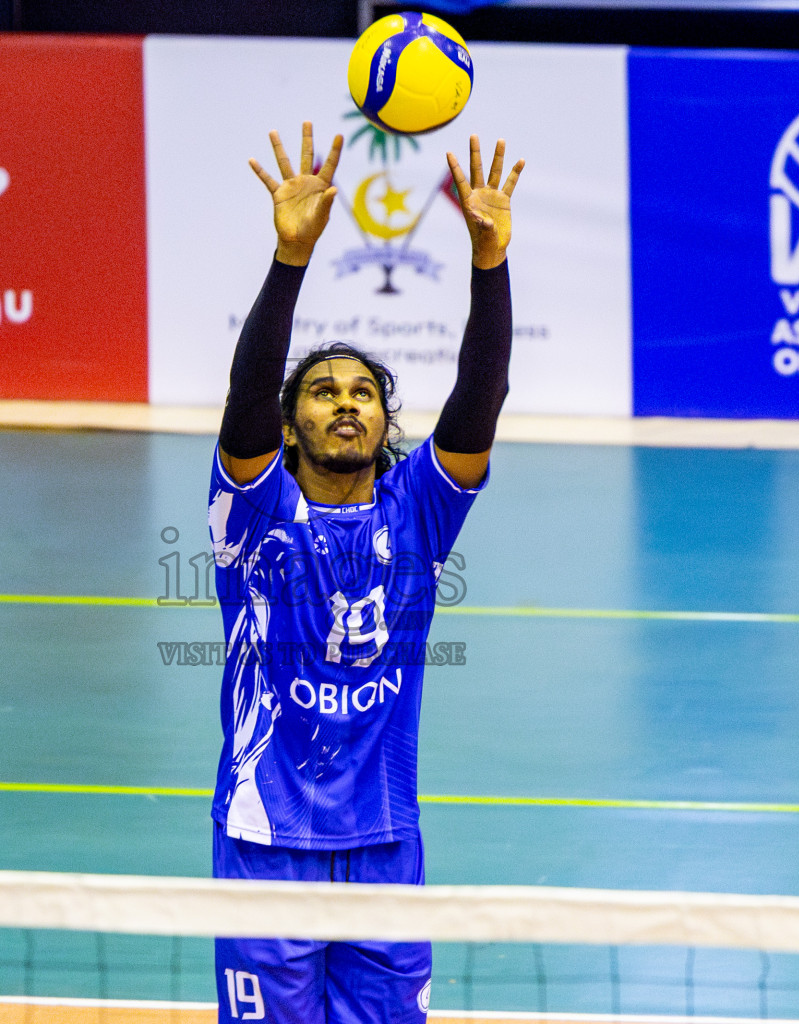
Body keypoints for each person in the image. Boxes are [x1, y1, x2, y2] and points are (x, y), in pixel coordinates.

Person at [208, 121, 523, 1024]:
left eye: (363, 395)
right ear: (289, 421)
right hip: (263, 839)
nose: (346, 403)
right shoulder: (252, 508)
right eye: (322, 391)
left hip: (384, 843)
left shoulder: (417, 511)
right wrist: (289, 258)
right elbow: (242, 402)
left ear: (385, 423)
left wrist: (489, 260)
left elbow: (480, 401)